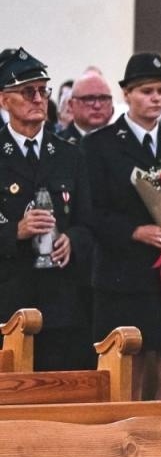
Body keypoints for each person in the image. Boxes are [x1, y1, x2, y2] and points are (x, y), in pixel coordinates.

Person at [85, 52, 161, 401]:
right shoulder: (100, 145)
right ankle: (130, 454)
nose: (155, 98)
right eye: (146, 91)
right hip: (125, 277)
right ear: (127, 94)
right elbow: (90, 212)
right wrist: (135, 232)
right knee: (129, 377)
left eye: (160, 91)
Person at [0, 47, 94, 372]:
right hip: (9, 300)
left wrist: (73, 239)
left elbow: (88, 222)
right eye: (28, 92)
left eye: (43, 90)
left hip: (60, 302)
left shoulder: (70, 155)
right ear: (4, 100)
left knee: (60, 395)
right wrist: (15, 230)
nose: (39, 99)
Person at [58, 71, 116, 146]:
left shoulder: (126, 143)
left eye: (103, 98)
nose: (97, 106)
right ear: (71, 105)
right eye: (89, 99)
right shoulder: (58, 145)